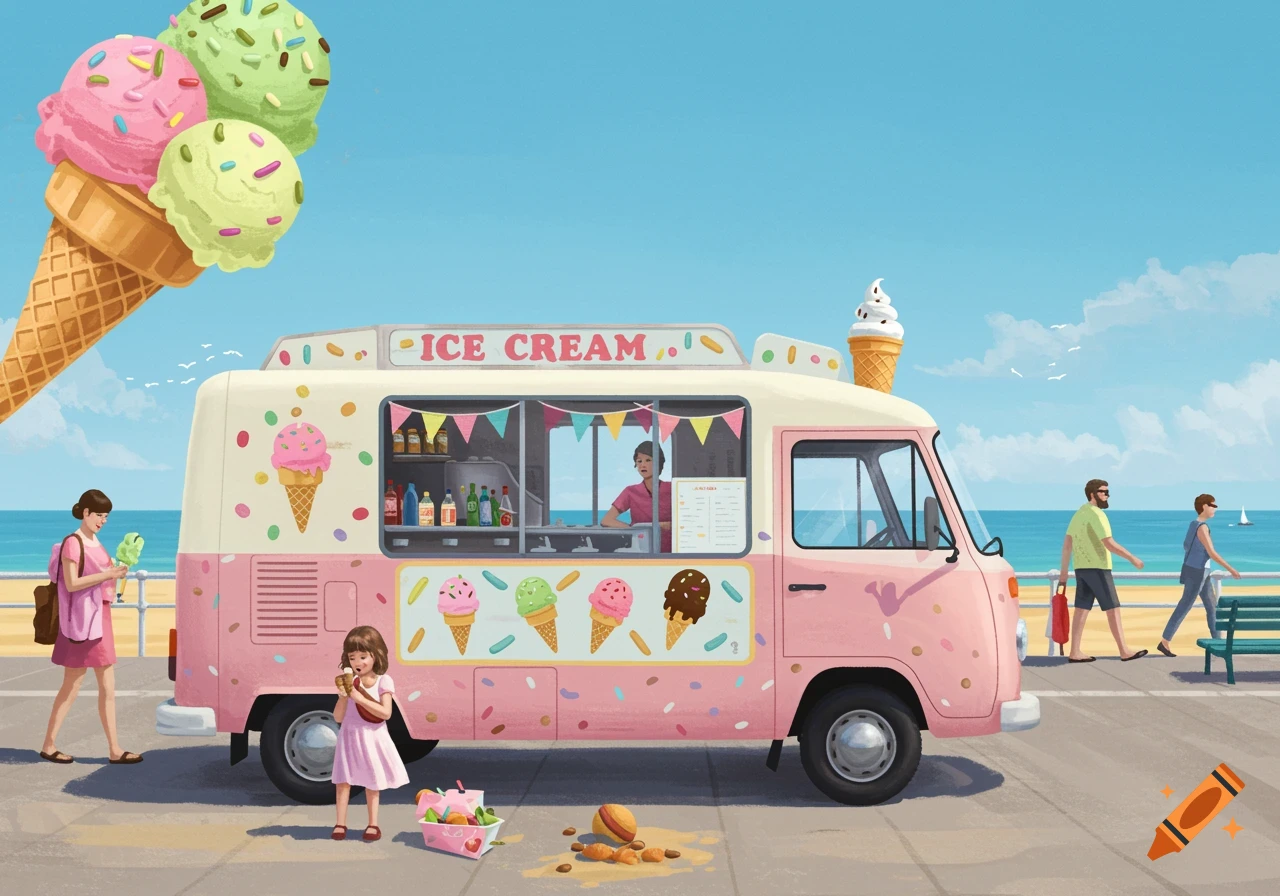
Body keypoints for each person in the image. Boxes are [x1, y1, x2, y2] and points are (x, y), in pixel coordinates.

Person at [40, 489, 142, 764]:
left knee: (107, 685)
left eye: (106, 516)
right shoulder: (73, 543)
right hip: (80, 622)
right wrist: (108, 574)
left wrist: (116, 572)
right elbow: (72, 584)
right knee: (72, 685)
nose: (103, 520)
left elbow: (99, 577)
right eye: (99, 515)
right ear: (85, 512)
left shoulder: (94, 541)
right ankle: (49, 744)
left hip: (100, 618)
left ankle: (114, 749)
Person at [331, 625, 408, 842]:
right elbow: (337, 717)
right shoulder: (349, 682)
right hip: (350, 735)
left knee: (372, 782)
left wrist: (358, 697)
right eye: (352, 657)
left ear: (377, 655)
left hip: (373, 738)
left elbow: (385, 713)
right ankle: (340, 823)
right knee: (343, 781)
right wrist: (343, 697)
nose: (357, 662)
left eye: (363, 656)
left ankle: (373, 824)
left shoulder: (384, 681)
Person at [1058, 479, 1147, 663]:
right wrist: (1132, 558)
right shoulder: (1097, 515)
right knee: (1113, 608)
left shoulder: (1079, 513)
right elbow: (1108, 542)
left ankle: (1075, 651)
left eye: (1107, 492)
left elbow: (1067, 544)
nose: (1107, 495)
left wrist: (1064, 573)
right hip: (1098, 568)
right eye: (1103, 492)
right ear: (1093, 494)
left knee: (1082, 609)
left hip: (1081, 568)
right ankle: (1124, 650)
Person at [1157, 494, 1240, 657]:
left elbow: (1187, 547)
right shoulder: (1202, 527)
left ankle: (1218, 643)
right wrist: (1231, 569)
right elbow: (1212, 553)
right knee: (1185, 605)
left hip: (1198, 570)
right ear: (1204, 506)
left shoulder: (1193, 525)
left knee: (1211, 606)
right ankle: (1164, 641)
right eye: (1213, 505)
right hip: (1198, 572)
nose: (1215, 508)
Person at [601, 440, 672, 553]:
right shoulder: (630, 491)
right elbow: (607, 520)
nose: (642, 465)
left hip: (673, 552)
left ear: (658, 462)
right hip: (642, 551)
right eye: (639, 461)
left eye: (648, 460)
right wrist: (635, 530)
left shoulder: (672, 488)